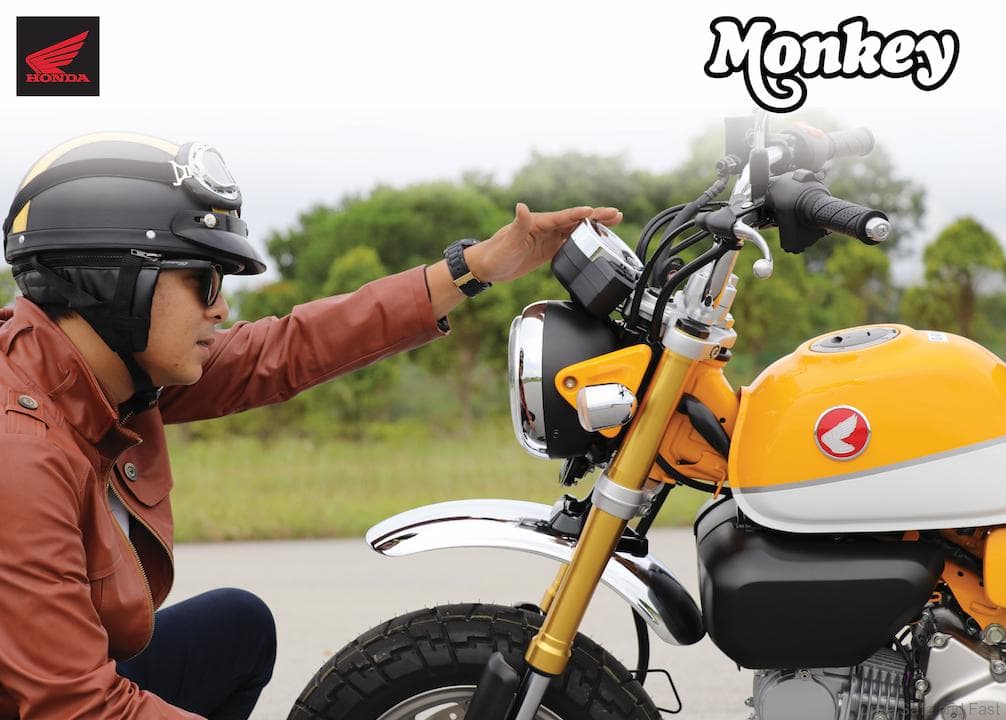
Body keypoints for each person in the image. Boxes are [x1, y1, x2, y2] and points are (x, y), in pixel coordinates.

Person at [0, 133, 622, 719]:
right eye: (202, 281)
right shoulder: (20, 455)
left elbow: (287, 350)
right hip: (62, 701)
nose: (220, 307)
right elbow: (79, 708)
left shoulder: (106, 375)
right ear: (111, 284)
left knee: (237, 628)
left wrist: (476, 266)